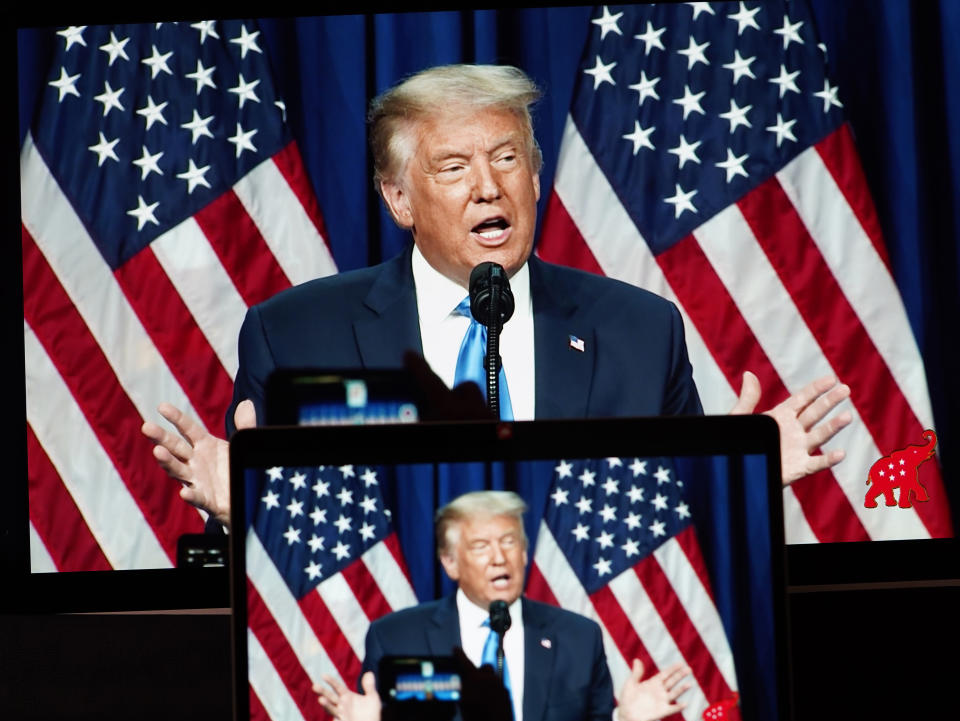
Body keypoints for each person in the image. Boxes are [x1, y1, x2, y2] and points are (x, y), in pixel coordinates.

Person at [142, 63, 852, 530]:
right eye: (454, 166)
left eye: (508, 158)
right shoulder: (297, 334)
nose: (489, 186)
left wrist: (740, 482)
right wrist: (245, 511)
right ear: (398, 198)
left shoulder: (639, 331)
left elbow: (667, 547)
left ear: (536, 177)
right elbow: (286, 573)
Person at [314, 491, 692, 721]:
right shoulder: (396, 637)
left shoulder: (578, 638)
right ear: (449, 562)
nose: (499, 558)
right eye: (480, 546)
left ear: (525, 553)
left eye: (510, 542)